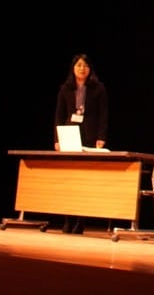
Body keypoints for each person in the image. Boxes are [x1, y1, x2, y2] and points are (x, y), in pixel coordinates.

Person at [54, 53, 108, 234]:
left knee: (84, 179)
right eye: (78, 65)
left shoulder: (98, 88)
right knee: (69, 179)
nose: (82, 68)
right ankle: (67, 220)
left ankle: (80, 221)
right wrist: (57, 139)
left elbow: (103, 115)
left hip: (90, 136)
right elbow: (59, 115)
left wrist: (101, 137)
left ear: (90, 69)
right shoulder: (65, 88)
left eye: (85, 65)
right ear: (73, 68)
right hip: (69, 135)